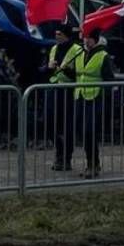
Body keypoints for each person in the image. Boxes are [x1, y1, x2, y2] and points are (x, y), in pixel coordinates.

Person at [46, 24, 88, 172]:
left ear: (66, 35)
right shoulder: (53, 49)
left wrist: (69, 71)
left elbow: (79, 73)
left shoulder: (77, 50)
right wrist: (48, 68)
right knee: (50, 123)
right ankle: (59, 151)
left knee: (67, 126)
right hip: (54, 89)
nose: (56, 36)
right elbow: (47, 72)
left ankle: (65, 158)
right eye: (56, 33)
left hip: (68, 92)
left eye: (59, 34)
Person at [73, 28, 110, 179]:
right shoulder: (80, 54)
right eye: (85, 38)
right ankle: (91, 163)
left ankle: (93, 164)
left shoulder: (103, 56)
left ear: (95, 40)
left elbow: (108, 78)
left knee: (90, 131)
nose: (86, 41)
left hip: (95, 97)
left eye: (89, 38)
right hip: (81, 96)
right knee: (83, 131)